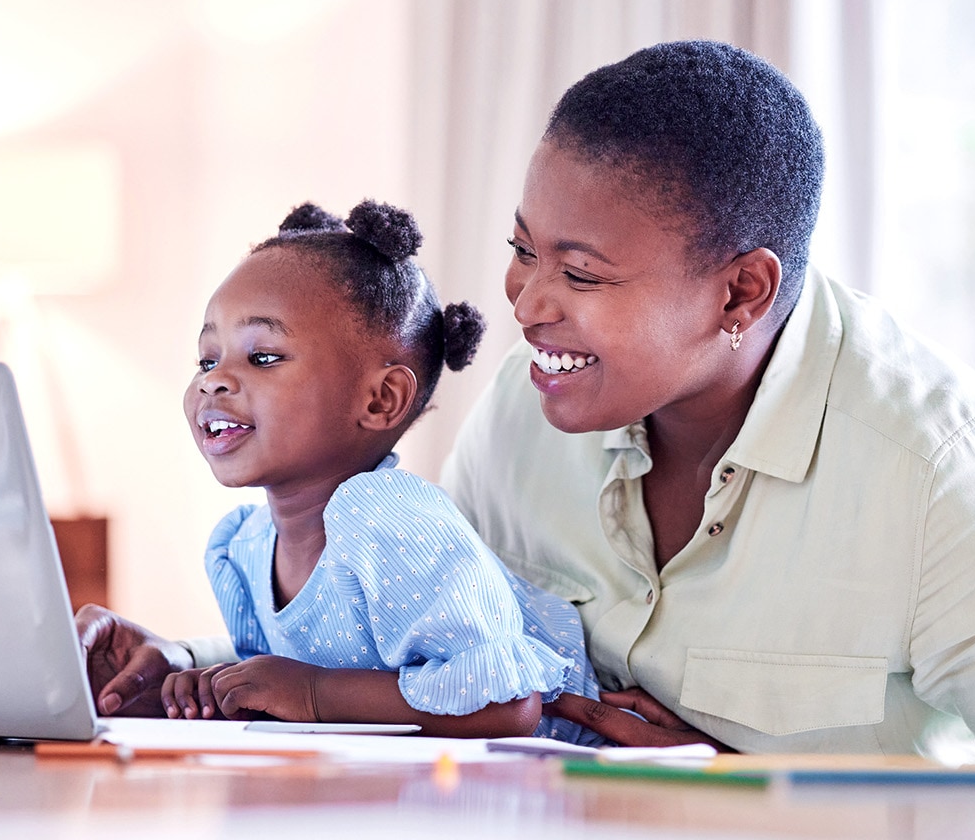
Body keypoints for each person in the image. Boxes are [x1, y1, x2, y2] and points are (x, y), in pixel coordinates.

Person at [437, 40, 975, 771]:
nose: (527, 303)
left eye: (580, 274)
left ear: (740, 292)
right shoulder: (519, 407)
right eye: (523, 249)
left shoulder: (942, 479)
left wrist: (749, 790)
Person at [81, 199, 601, 742]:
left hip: (573, 793)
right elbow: (271, 696)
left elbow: (508, 706)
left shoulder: (392, 521)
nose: (214, 381)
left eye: (263, 358)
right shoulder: (247, 547)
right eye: (208, 360)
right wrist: (187, 686)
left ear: (380, 400)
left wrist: (313, 693)